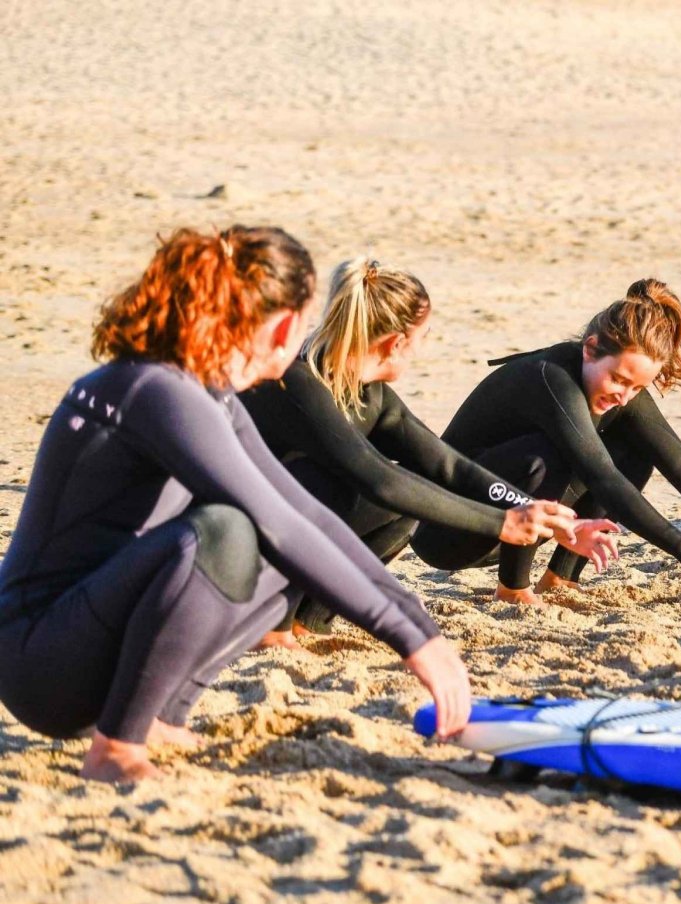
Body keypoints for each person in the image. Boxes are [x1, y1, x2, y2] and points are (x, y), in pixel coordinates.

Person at [0, 227, 473, 783]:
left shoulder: (206, 391)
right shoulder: (156, 390)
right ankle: (117, 748)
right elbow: (275, 522)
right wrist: (411, 640)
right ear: (284, 325)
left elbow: (306, 514)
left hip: (84, 644)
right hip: (41, 662)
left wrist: (420, 626)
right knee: (226, 531)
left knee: (276, 540)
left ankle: (159, 717)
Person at [240, 258, 619, 643]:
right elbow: (379, 480)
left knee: (410, 503)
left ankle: (308, 620)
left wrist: (547, 520)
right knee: (346, 486)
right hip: (228, 546)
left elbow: (450, 466)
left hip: (271, 534)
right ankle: (273, 625)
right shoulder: (298, 383)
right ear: (396, 343)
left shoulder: (371, 395)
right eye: (423, 338)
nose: (421, 349)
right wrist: (500, 524)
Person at [410, 278, 681, 603]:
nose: (623, 395)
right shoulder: (553, 379)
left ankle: (560, 578)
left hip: (523, 526)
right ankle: (513, 588)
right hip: (452, 532)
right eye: (619, 379)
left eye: (637, 387)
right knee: (548, 459)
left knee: (633, 454)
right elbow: (601, 477)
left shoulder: (622, 392)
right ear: (590, 350)